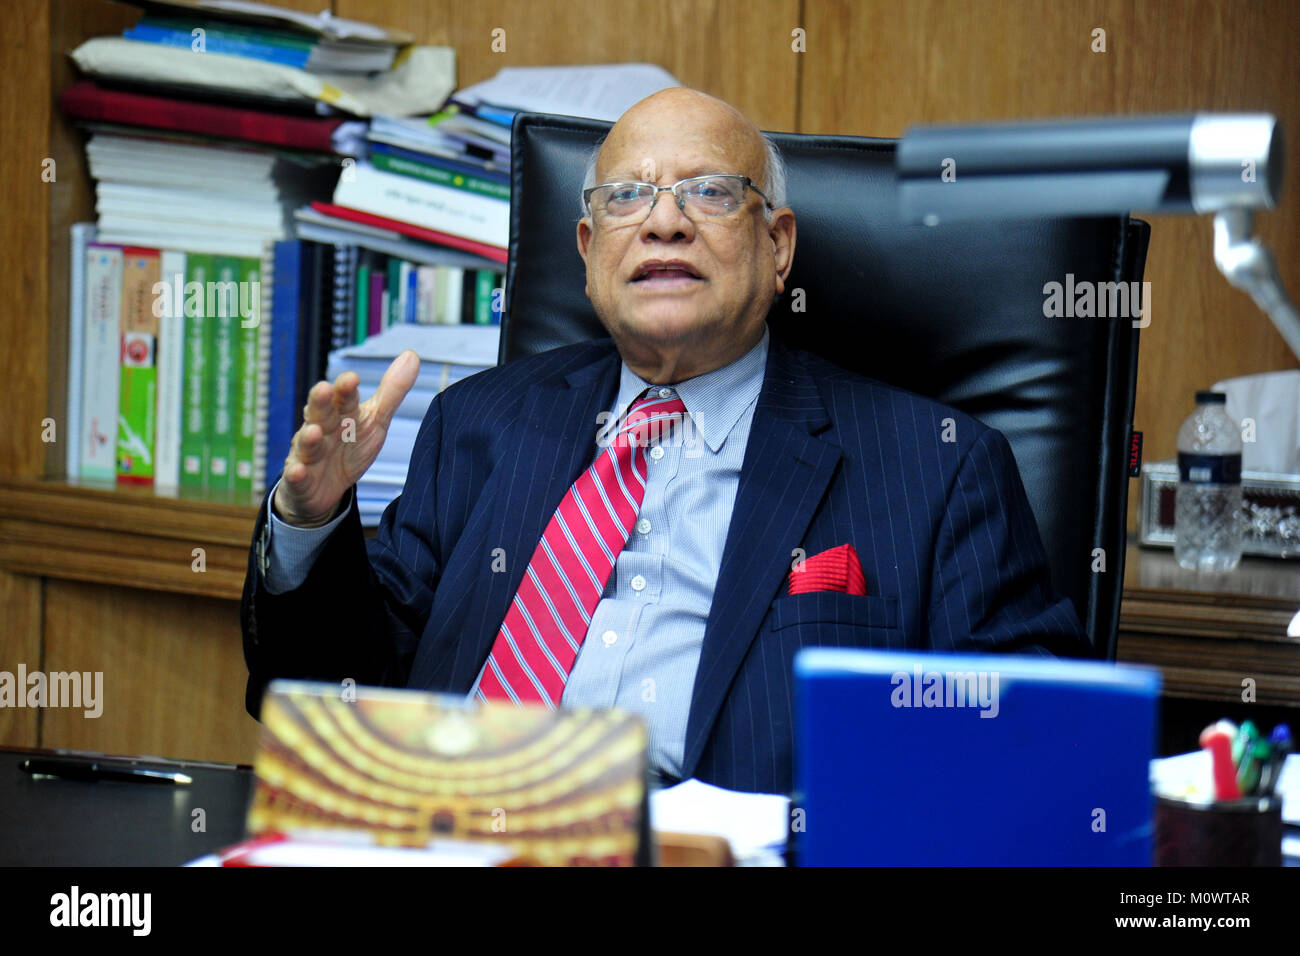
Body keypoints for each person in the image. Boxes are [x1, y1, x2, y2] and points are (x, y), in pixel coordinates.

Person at [241, 88, 1088, 794]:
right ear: (586, 252)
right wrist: (311, 524)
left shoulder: (938, 466)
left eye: (711, 191)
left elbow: (1031, 747)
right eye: (626, 196)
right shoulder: (479, 421)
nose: (664, 223)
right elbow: (336, 691)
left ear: (778, 244)